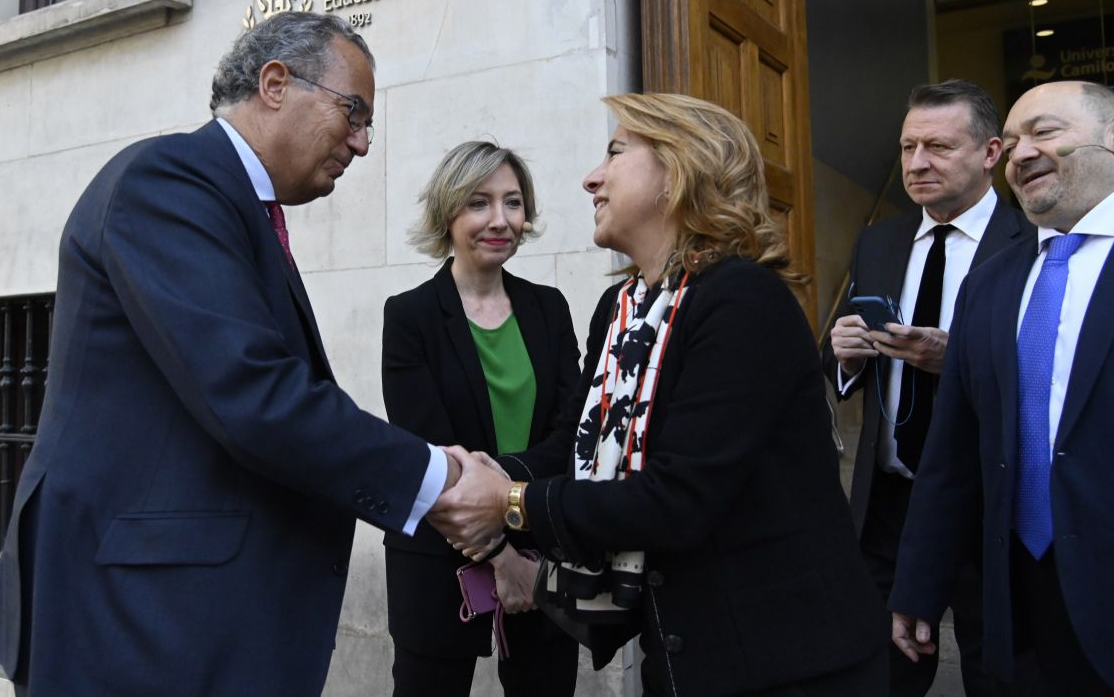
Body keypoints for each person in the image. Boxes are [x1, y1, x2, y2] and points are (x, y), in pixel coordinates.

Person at [0, 12, 467, 696]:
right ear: (275, 83)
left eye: (368, 126)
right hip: (135, 625)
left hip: (181, 619)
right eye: (353, 113)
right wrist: (434, 478)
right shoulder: (168, 183)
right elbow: (253, 394)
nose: (360, 144)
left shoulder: (234, 204)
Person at [429, 93, 888, 696]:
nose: (592, 177)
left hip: (788, 663)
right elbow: (573, 443)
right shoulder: (621, 311)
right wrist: (477, 475)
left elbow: (679, 498)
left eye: (616, 153)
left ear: (678, 172)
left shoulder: (742, 301)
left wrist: (509, 502)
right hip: (682, 656)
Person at [891, 80, 1114, 693]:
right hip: (1014, 610)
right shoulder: (989, 285)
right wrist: (919, 585)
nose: (1021, 153)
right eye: (1012, 141)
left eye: (1045, 132)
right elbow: (954, 452)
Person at [823, 79, 1034, 694]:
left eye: (938, 147)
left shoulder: (1032, 241)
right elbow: (840, 364)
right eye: (908, 146)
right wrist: (847, 357)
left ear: (991, 153)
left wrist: (962, 358)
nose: (916, 164)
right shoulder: (879, 240)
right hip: (890, 505)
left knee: (998, 673)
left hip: (992, 501)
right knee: (878, 676)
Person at [381, 141, 580, 697]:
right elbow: (432, 458)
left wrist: (505, 497)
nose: (500, 220)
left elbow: (573, 433)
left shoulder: (550, 307)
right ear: (449, 213)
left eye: (513, 203)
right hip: (440, 560)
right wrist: (501, 557)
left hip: (544, 547)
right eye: (478, 203)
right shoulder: (409, 316)